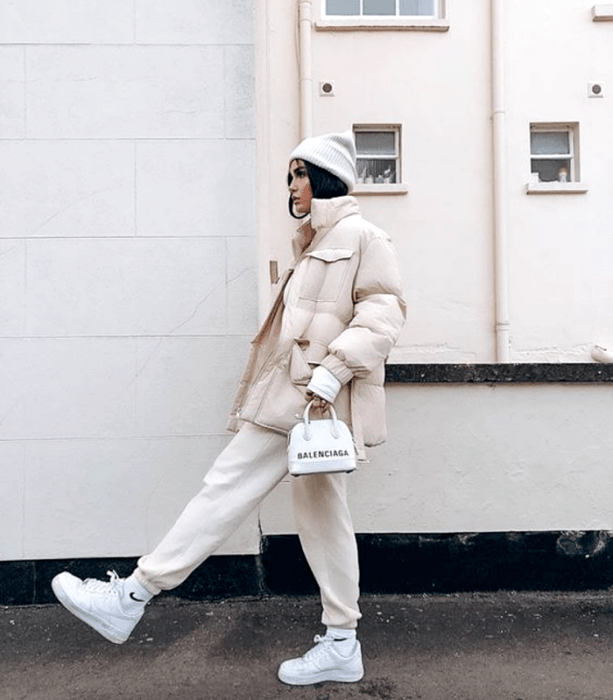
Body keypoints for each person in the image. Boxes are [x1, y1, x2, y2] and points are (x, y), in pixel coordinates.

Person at [51, 131, 406, 686]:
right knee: (323, 520)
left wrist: (333, 373)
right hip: (304, 399)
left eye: (301, 174)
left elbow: (384, 316)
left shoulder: (362, 235)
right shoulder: (312, 242)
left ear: (327, 178)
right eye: (290, 174)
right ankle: (342, 642)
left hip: (308, 397)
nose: (292, 184)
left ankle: (132, 595)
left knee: (226, 487)